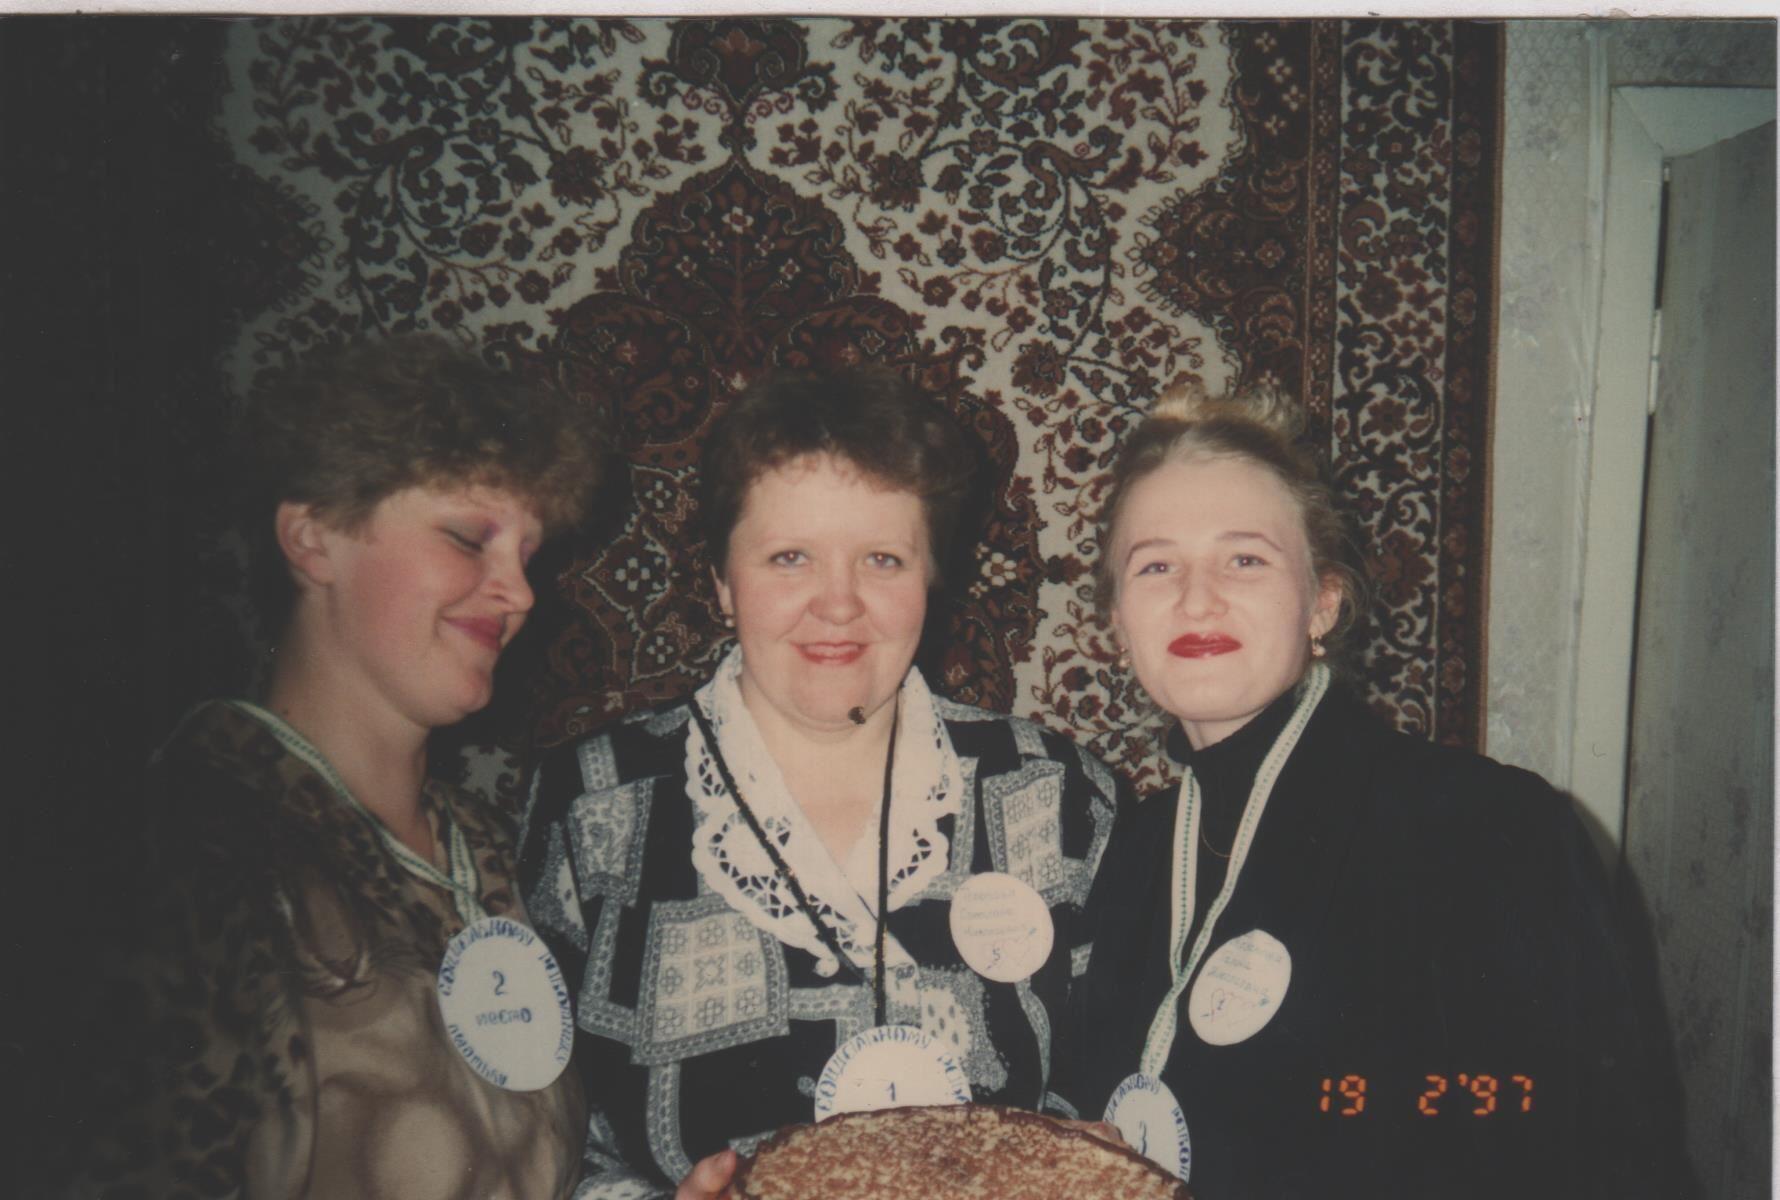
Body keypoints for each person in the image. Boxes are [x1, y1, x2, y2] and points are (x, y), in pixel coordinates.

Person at [1056, 383, 1687, 1198]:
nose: (1196, 596)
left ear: (1322, 602)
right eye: (1156, 565)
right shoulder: (1135, 854)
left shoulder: (1485, 829)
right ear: (1117, 623)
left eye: (1245, 558)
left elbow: (1584, 1155)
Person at [518, 369, 1123, 1199]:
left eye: (883, 559)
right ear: (722, 581)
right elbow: (534, 1143)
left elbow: (1112, 1097)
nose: (838, 605)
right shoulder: (593, 804)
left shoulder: (1056, 796)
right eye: (789, 557)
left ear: (931, 578)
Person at [59, 336, 605, 1198]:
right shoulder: (186, 851)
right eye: (469, 538)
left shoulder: (483, 844)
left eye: (527, 557)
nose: (521, 593)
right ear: (311, 538)